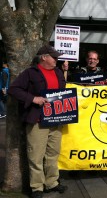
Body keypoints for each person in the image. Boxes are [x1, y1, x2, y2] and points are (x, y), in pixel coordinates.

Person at [8, 45, 68, 198]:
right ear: (44, 57)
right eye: (54, 57)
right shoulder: (30, 73)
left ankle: (52, 183)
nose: (56, 60)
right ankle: (37, 187)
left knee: (53, 154)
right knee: (35, 155)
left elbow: (64, 91)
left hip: (56, 119)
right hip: (37, 120)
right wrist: (33, 98)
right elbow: (13, 89)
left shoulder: (59, 72)